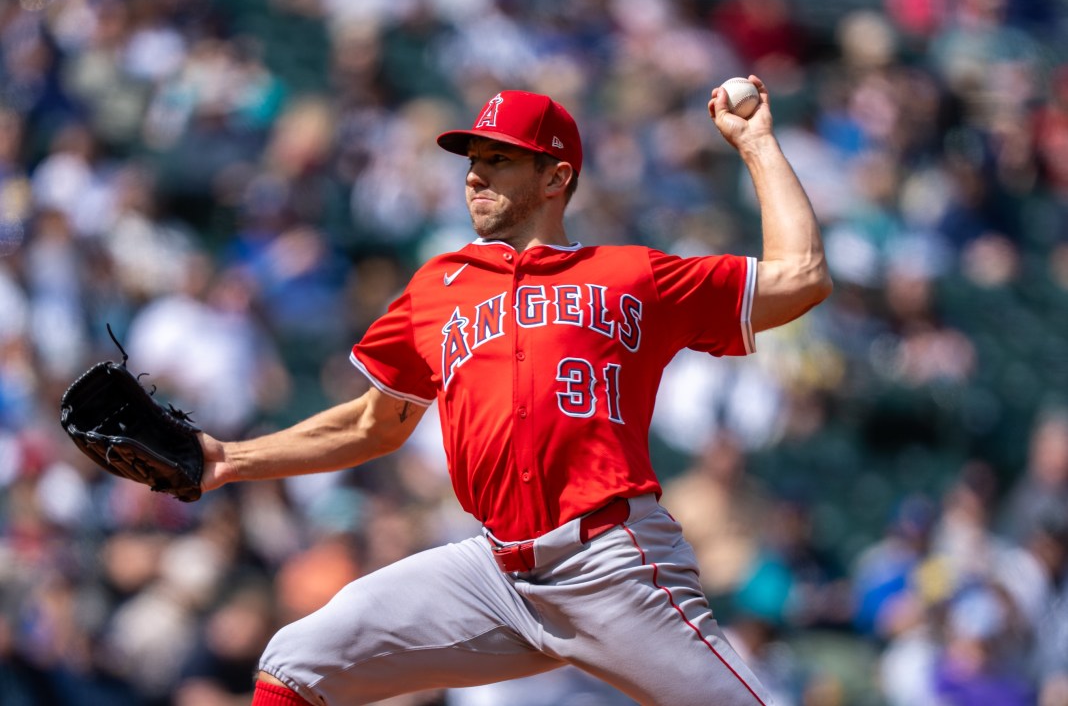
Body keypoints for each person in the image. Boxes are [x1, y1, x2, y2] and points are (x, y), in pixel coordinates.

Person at [197, 78, 832, 706]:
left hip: (612, 564)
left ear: (556, 178)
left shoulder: (632, 275)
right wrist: (227, 460)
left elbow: (801, 277)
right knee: (296, 663)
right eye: (473, 162)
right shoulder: (437, 287)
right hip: (496, 573)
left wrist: (756, 144)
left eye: (499, 160)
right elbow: (373, 425)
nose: (474, 176)